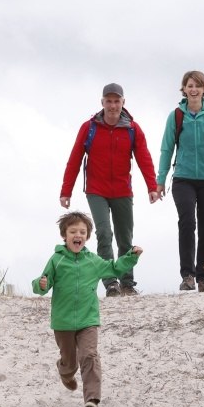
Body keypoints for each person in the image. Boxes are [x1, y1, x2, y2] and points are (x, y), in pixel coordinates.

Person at [32, 211, 143, 407]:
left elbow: (114, 268)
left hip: (88, 320)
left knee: (89, 355)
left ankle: (92, 400)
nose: (78, 235)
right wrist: (41, 284)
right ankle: (65, 371)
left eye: (82, 232)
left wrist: (131, 257)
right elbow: (42, 283)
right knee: (70, 362)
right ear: (64, 235)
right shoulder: (56, 260)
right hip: (63, 321)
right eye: (73, 231)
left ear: (87, 237)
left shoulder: (92, 261)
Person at [60, 82, 159, 297]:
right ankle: (110, 283)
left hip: (123, 190)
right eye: (109, 101)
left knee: (125, 238)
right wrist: (66, 191)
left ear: (123, 103)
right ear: (102, 102)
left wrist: (152, 186)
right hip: (96, 190)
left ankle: (127, 282)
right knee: (104, 233)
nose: (112, 105)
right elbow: (75, 159)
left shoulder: (132, 129)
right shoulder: (90, 128)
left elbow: (144, 158)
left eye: (117, 101)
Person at [156, 70, 204, 293]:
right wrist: (160, 181)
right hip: (183, 178)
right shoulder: (176, 116)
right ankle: (187, 275)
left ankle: (203, 278)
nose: (193, 89)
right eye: (189, 85)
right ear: (184, 88)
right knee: (187, 222)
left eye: (197, 85)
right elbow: (166, 149)